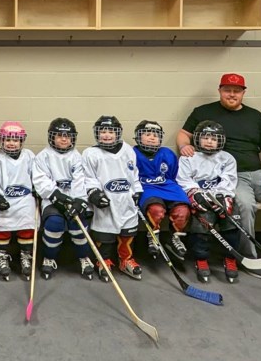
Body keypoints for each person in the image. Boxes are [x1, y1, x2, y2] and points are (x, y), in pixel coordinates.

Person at [177, 73, 261, 281]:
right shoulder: (203, 112)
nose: (232, 94)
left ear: (243, 93)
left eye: (236, 91)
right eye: (227, 90)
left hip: (257, 173)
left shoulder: (256, 116)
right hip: (229, 175)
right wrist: (185, 146)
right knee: (245, 207)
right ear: (220, 90)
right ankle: (249, 258)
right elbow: (183, 134)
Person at [177, 121, 241, 283]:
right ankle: (201, 259)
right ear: (197, 139)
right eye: (205, 137)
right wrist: (196, 194)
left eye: (214, 138)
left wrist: (222, 196)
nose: (209, 141)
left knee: (231, 218)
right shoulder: (189, 158)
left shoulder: (227, 158)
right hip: (199, 198)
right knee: (202, 222)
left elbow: (229, 180)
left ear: (220, 141)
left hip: (219, 197)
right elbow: (184, 180)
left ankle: (230, 257)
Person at [82, 116, 144, 282]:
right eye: (103, 131)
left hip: (125, 200)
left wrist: (137, 190)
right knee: (105, 235)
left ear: (118, 133)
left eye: (111, 131)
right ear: (97, 133)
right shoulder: (90, 153)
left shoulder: (128, 150)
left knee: (127, 232)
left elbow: (133, 174)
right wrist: (94, 193)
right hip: (106, 201)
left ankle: (125, 260)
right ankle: (104, 260)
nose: (107, 135)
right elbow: (89, 178)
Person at [31, 118, 93, 280]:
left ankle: (83, 257)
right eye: (59, 135)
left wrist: (79, 200)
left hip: (73, 199)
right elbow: (40, 180)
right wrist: (56, 195)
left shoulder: (77, 157)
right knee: (54, 224)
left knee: (78, 224)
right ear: (52, 137)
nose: (64, 139)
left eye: (68, 135)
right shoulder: (43, 157)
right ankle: (49, 257)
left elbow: (80, 180)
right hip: (51, 200)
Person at [0, 121, 38, 281]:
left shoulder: (29, 156)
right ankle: (2, 255)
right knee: (0, 227)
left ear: (21, 141)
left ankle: (26, 256)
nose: (11, 143)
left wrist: (38, 188)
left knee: (28, 225)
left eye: (15, 140)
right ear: (1, 140)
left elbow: (37, 176)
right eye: (8, 139)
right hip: (4, 200)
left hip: (24, 200)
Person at [132, 120, 190, 261]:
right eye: (147, 134)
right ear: (138, 137)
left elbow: (173, 175)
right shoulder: (131, 153)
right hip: (146, 188)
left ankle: (175, 238)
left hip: (169, 187)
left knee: (182, 211)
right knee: (156, 210)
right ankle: (153, 235)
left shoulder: (167, 153)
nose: (152, 137)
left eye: (155, 135)